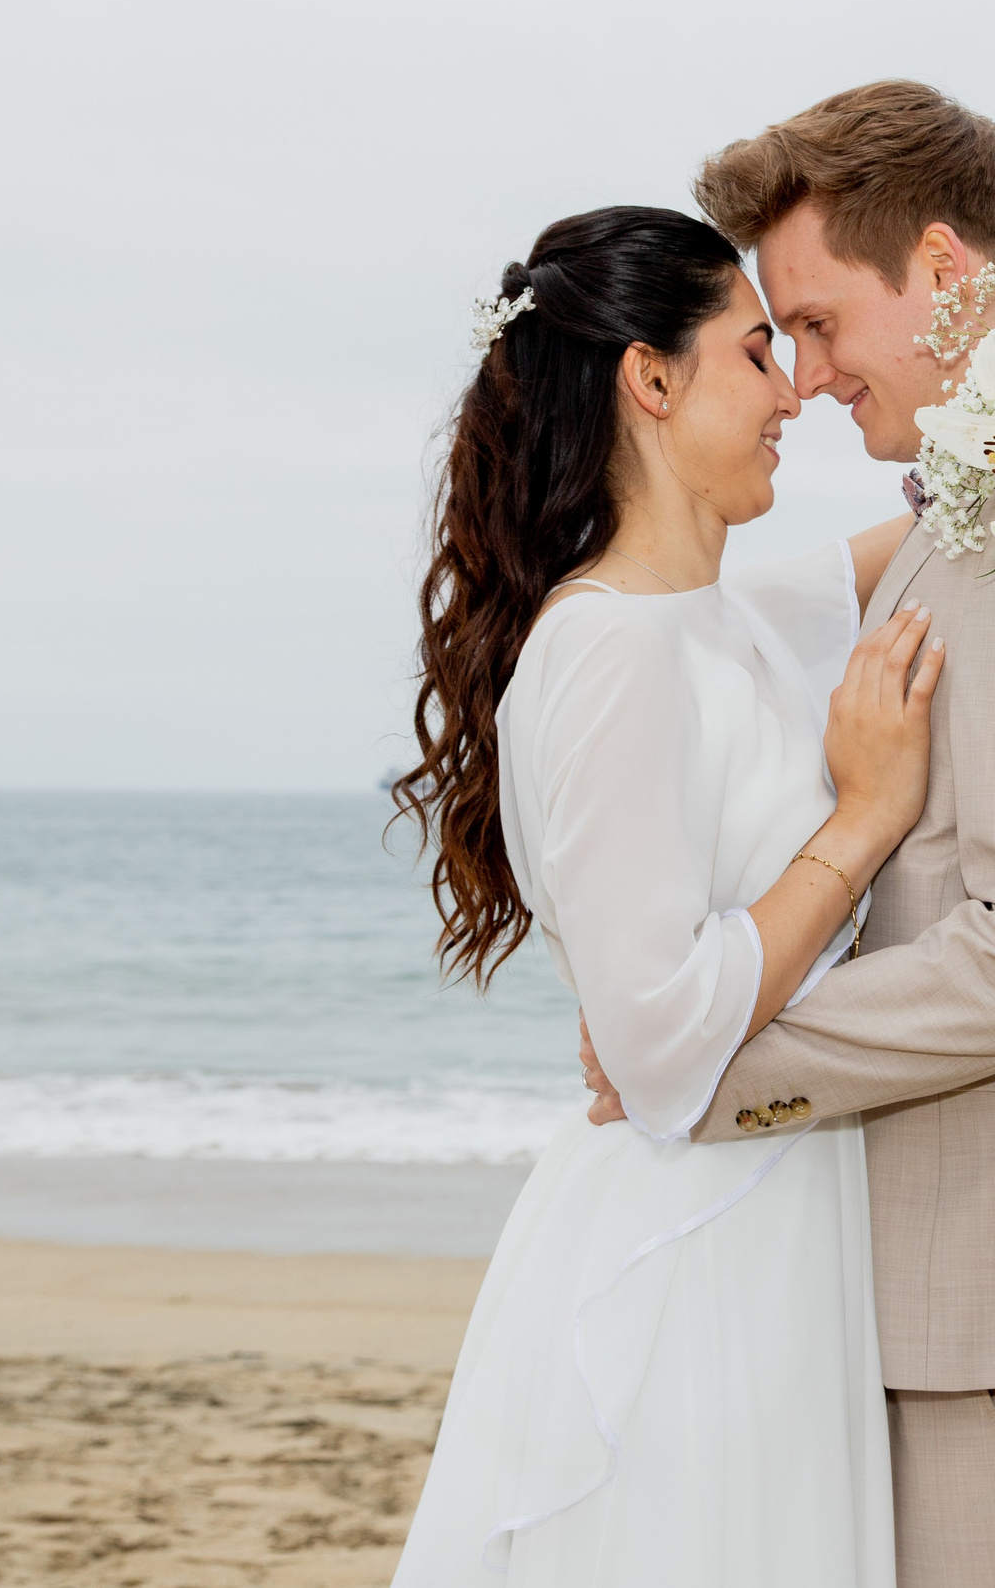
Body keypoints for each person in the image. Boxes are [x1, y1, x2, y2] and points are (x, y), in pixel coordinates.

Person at [583, 81, 995, 1588]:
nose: (802, 376)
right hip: (954, 1291)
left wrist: (721, 1062)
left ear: (940, 273)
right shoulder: (979, 508)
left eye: (812, 322)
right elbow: (758, 609)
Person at [388, 205, 942, 1586]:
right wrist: (868, 819)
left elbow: (949, 528)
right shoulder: (608, 654)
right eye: (759, 352)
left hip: (780, 1225)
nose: (793, 394)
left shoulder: (728, 616)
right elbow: (655, 1038)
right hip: (688, 1257)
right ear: (651, 379)